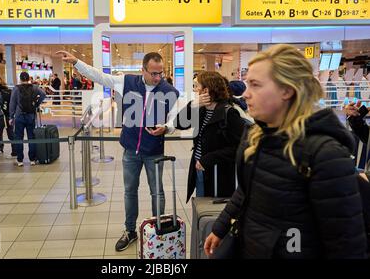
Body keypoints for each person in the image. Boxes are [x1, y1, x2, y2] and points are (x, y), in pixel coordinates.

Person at [204, 44, 368, 259]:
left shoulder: (325, 155)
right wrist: (221, 226)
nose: (245, 94)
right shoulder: (256, 136)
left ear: (287, 90)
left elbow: (345, 242)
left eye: (255, 85)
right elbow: (247, 190)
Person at [56, 50, 180, 252]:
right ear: (143, 70)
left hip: (154, 151)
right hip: (131, 150)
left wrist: (167, 127)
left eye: (161, 73)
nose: (158, 78)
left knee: (157, 192)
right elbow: (100, 76)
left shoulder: (170, 91)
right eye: (154, 73)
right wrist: (77, 62)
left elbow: (175, 119)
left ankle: (159, 229)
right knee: (130, 191)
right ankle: (130, 231)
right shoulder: (128, 82)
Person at [175, 71, 245, 201]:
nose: (195, 90)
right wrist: (193, 105)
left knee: (212, 212)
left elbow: (239, 147)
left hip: (218, 173)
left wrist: (209, 159)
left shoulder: (229, 113)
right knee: (202, 208)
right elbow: (178, 123)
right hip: (199, 170)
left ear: (206, 90)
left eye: (197, 86)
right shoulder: (201, 109)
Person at [9, 71, 46, 167]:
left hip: (19, 116)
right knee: (31, 137)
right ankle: (32, 159)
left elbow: (12, 103)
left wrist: (11, 116)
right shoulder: (34, 87)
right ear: (29, 78)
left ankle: (20, 160)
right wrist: (36, 103)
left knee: (19, 138)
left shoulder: (16, 89)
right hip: (31, 115)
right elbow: (43, 94)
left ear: (20, 79)